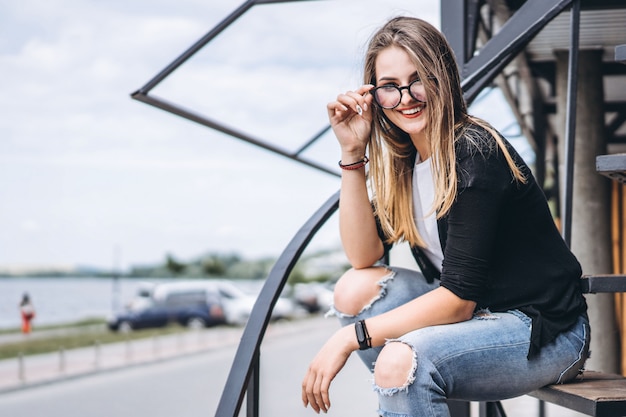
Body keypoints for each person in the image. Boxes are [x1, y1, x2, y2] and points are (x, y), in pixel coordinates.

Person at [301, 16, 589, 417]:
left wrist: (350, 338)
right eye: (390, 87)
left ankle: (410, 393)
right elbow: (363, 257)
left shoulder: (474, 151)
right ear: (375, 96)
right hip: (477, 317)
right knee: (353, 288)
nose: (406, 97)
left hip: (541, 332)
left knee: (400, 362)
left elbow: (457, 301)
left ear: (444, 79)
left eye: (419, 79)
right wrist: (353, 155)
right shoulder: (406, 163)